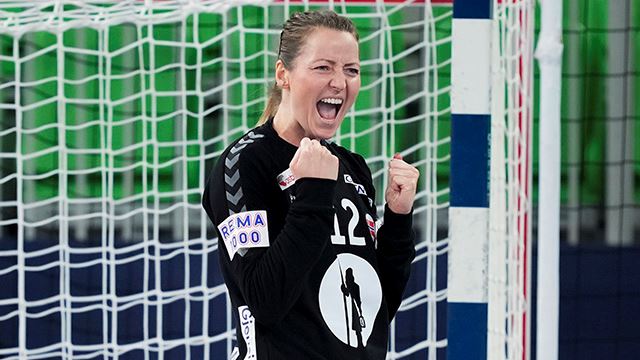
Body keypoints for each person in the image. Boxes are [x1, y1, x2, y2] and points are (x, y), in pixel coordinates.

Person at [202, 9, 419, 359]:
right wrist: (313, 193)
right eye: (323, 67)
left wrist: (398, 219)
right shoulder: (244, 163)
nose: (339, 82)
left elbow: (374, 314)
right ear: (283, 74)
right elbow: (265, 301)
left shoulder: (353, 168)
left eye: (351, 70)